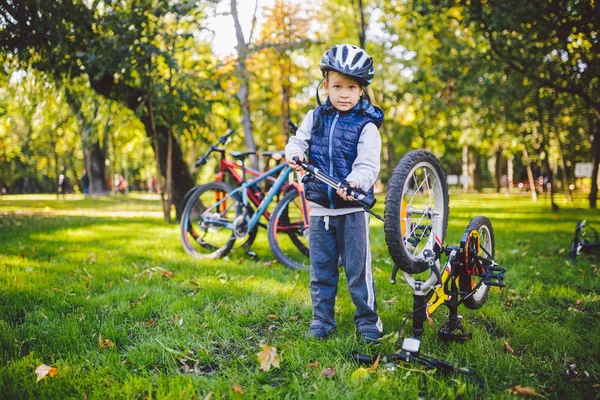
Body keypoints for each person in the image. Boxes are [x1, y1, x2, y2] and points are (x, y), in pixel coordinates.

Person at [285, 44, 384, 344]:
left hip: (352, 212)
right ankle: (322, 321)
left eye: (351, 87)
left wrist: (353, 183)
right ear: (325, 84)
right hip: (319, 212)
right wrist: (295, 154)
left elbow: (367, 165)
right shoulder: (314, 117)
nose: (344, 94)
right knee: (322, 272)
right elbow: (297, 142)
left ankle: (367, 321)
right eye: (337, 86)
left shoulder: (367, 127)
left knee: (357, 271)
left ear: (362, 90)